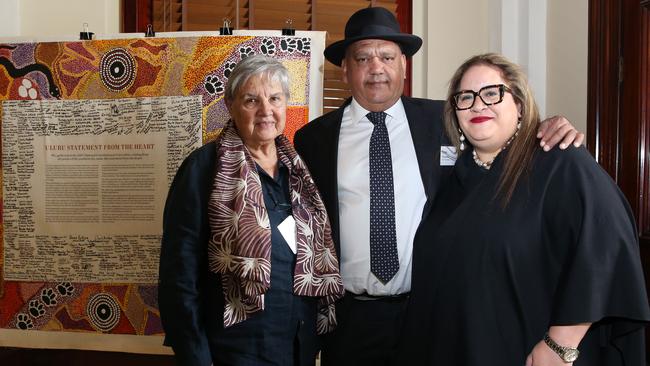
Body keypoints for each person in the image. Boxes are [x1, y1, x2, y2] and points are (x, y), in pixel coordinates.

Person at [293, 6, 585, 366]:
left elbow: (502, 139)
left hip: (433, 310)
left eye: (387, 56)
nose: (376, 67)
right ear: (346, 69)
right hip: (352, 319)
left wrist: (548, 126)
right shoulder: (312, 140)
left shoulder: (446, 121)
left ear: (404, 65)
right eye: (363, 57)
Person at [400, 53, 650, 365]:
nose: (478, 105)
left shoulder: (558, 161)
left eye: (492, 93)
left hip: (528, 351)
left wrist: (561, 343)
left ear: (519, 105)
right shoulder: (453, 181)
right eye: (465, 97)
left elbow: (607, 246)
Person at [158, 54, 344, 366]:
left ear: (285, 105)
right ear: (230, 106)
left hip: (298, 347)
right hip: (235, 351)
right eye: (251, 100)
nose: (266, 111)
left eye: (274, 98)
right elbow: (178, 277)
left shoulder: (298, 172)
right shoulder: (204, 169)